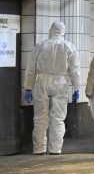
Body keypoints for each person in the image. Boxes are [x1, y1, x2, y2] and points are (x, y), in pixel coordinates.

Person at [23, 21, 81, 155]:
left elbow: (31, 68)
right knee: (58, 118)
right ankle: (55, 149)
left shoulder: (41, 45)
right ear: (63, 31)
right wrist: (76, 88)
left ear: (51, 30)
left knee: (39, 118)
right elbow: (74, 70)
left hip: (41, 81)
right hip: (61, 82)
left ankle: (38, 148)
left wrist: (28, 88)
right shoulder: (69, 47)